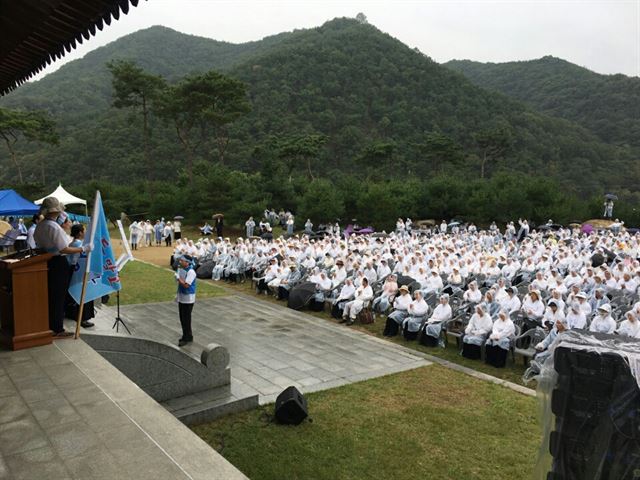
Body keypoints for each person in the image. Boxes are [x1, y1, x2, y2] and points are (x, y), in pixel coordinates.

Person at [34, 197, 92, 338]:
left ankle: (50, 324)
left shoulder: (40, 225)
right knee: (58, 297)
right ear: (56, 212)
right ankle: (57, 328)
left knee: (52, 296)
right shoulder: (53, 227)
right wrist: (83, 249)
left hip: (45, 261)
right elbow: (64, 249)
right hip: (57, 263)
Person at [65, 223, 94, 328]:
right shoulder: (78, 245)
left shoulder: (73, 243)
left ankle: (75, 315)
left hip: (73, 269)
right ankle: (83, 318)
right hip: (78, 269)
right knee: (83, 293)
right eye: (84, 230)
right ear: (80, 232)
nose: (85, 232)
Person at [176, 254, 197, 346]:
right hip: (182, 297)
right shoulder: (183, 270)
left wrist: (178, 278)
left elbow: (186, 285)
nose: (180, 262)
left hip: (188, 298)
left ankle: (187, 337)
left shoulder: (191, 272)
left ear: (187, 262)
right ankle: (186, 335)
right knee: (182, 318)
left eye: (182, 261)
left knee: (186, 319)